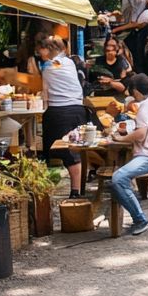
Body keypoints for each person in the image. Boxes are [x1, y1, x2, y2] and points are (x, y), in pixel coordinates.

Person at [110, 74, 148, 235]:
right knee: (118, 179)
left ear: (135, 91)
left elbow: (141, 134)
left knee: (118, 178)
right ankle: (132, 212)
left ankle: (140, 219)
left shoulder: (144, 107)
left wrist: (121, 138)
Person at [36, 35, 85, 197]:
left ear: (48, 49)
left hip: (60, 112)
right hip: (78, 110)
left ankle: (75, 192)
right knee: (74, 149)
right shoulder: (69, 62)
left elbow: (45, 95)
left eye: (40, 49)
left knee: (67, 152)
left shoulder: (49, 68)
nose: (39, 53)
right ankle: (77, 189)